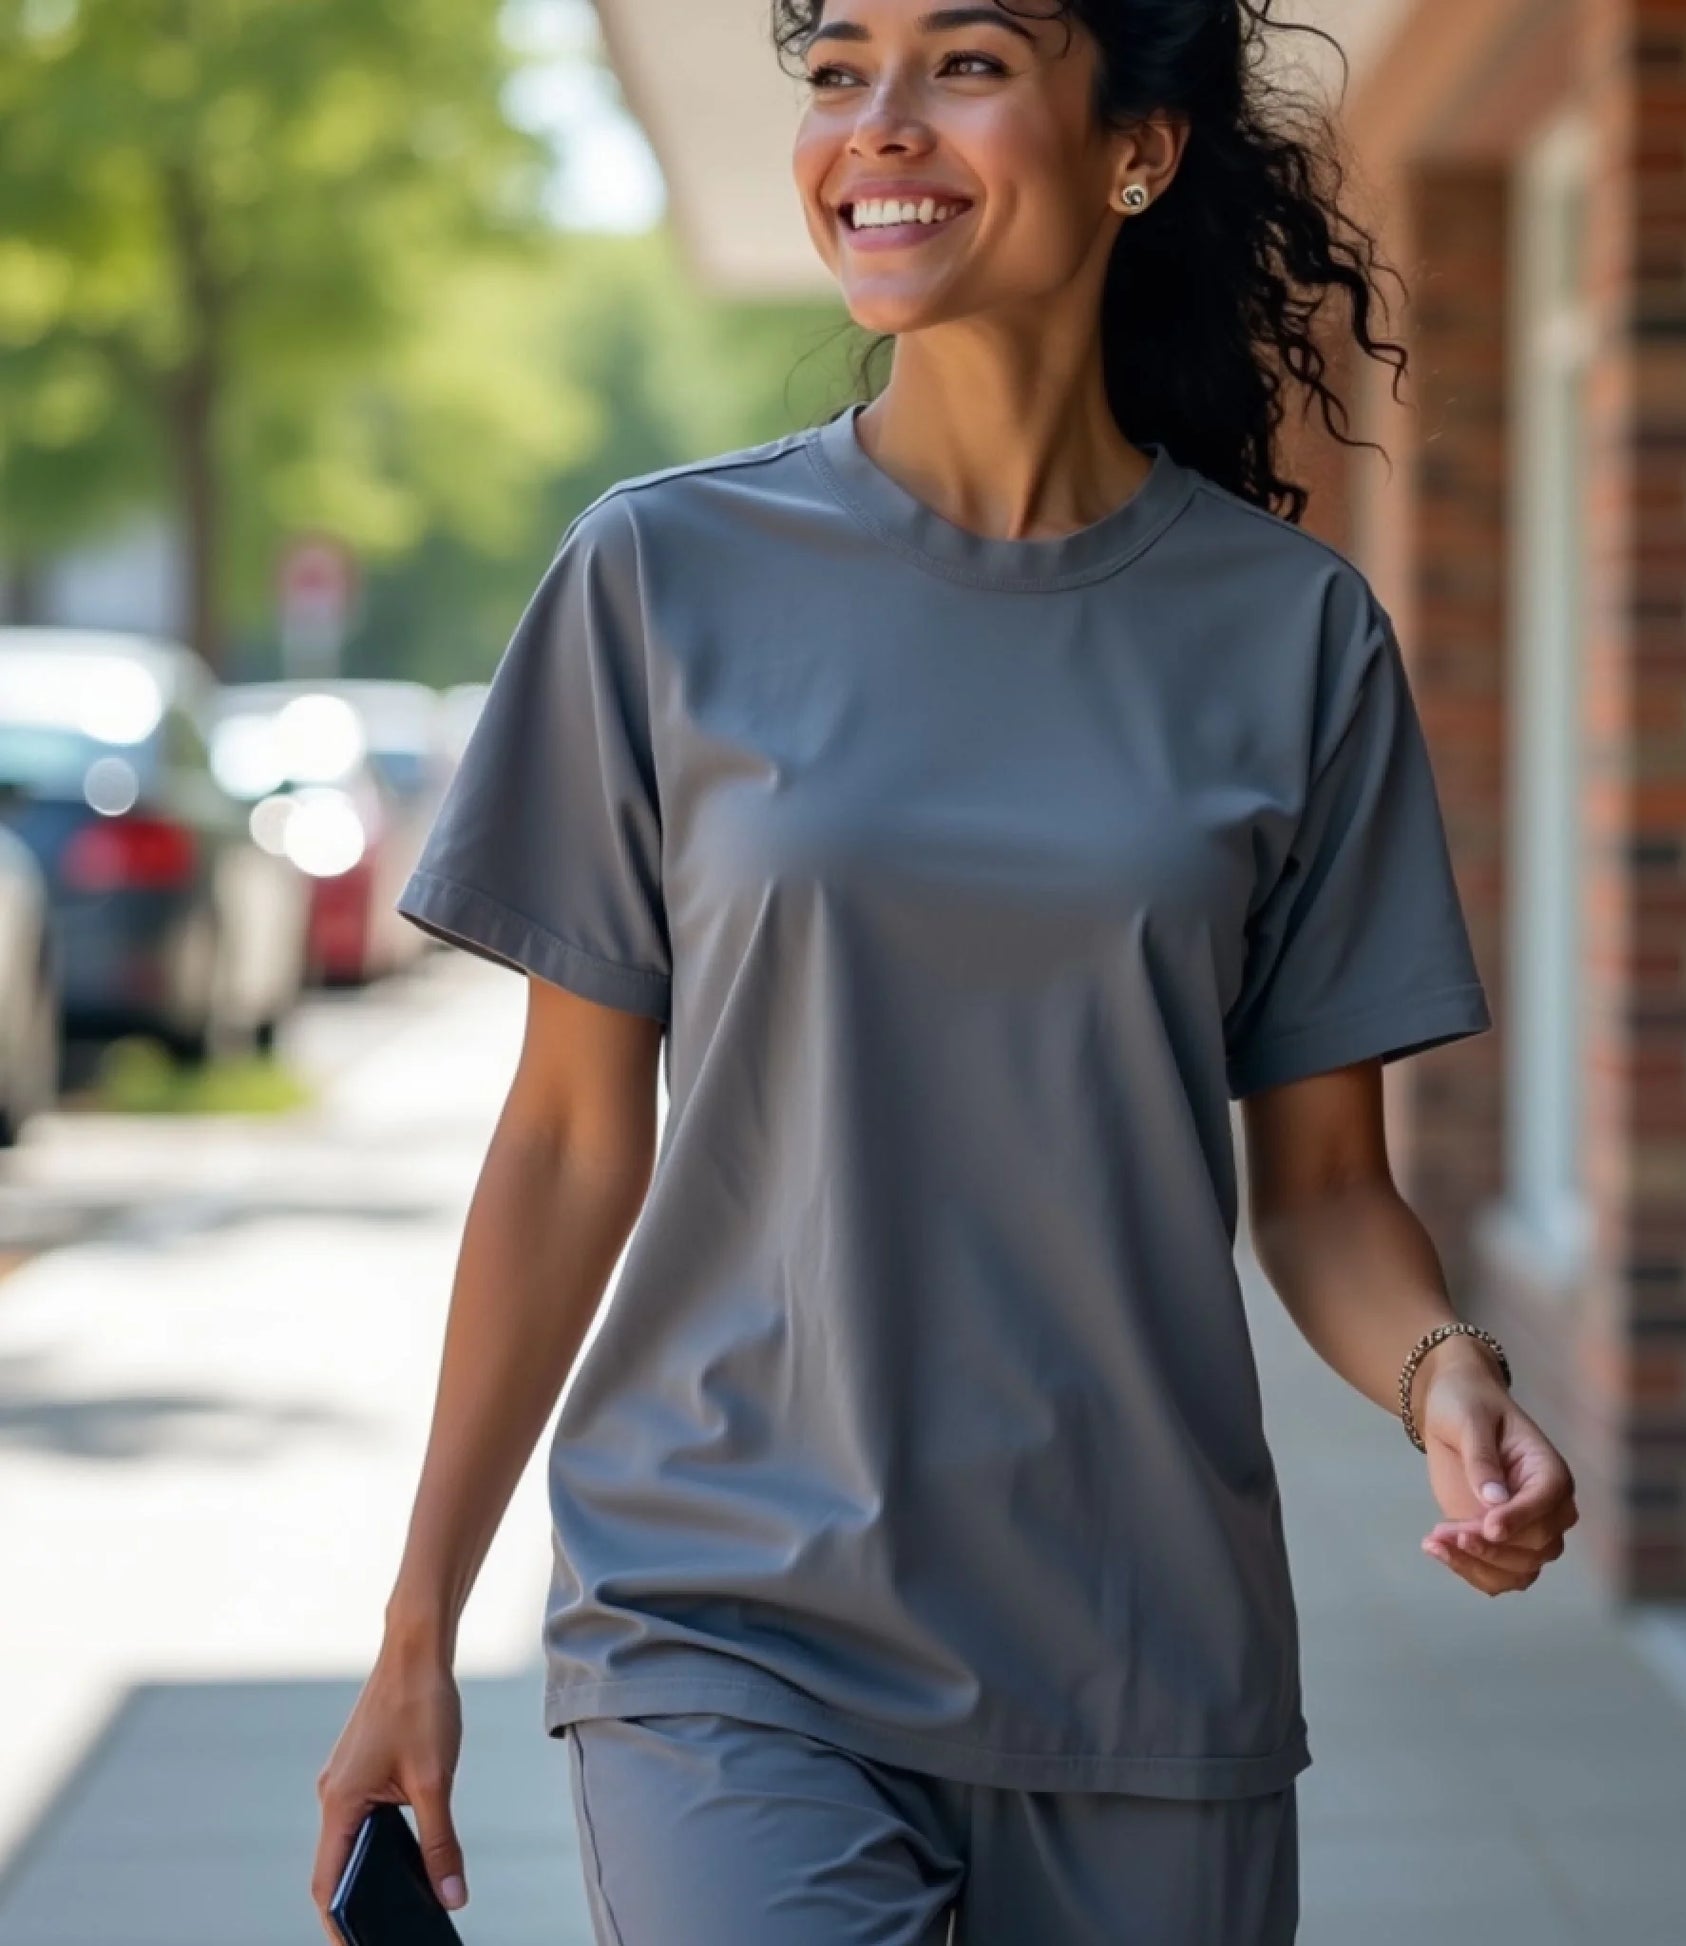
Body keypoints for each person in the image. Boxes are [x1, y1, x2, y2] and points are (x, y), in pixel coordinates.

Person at [310, 2, 1579, 1940]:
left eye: (964, 62)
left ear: (1136, 147)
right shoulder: (663, 576)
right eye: (836, 72)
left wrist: (1446, 1375)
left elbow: (1322, 1186)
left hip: (1146, 1657)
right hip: (725, 1622)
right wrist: (418, 1623)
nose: (875, 126)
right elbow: (570, 1143)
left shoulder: (1291, 634)